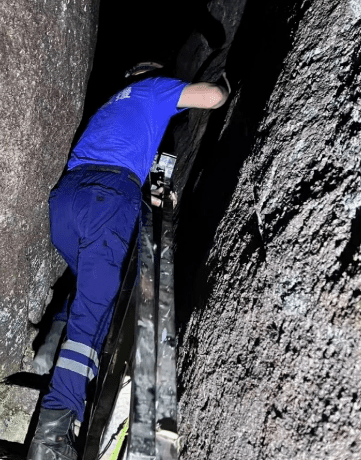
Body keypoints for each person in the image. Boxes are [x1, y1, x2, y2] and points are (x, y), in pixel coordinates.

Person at [28, 63, 230, 460]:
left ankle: (52, 345)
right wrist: (225, 79)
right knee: (93, 310)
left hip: (67, 201)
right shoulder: (152, 90)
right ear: (151, 73)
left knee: (91, 292)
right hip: (108, 196)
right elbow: (211, 97)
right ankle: (50, 436)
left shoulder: (110, 104)